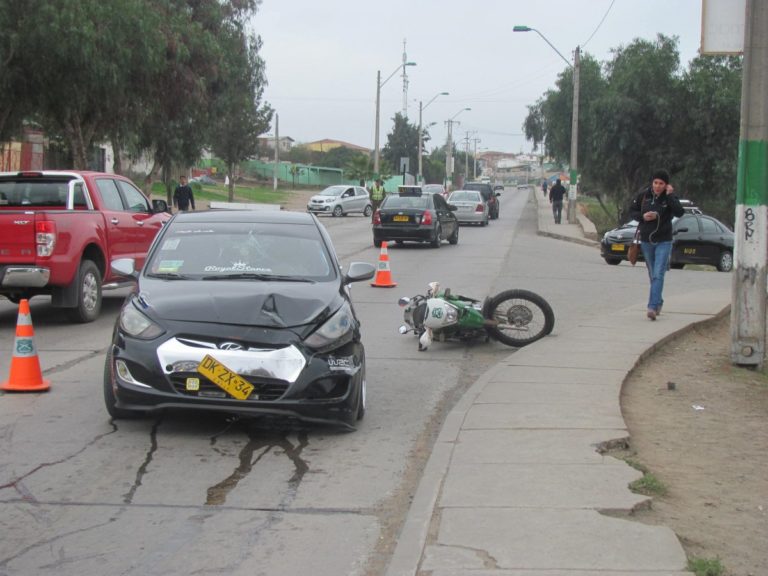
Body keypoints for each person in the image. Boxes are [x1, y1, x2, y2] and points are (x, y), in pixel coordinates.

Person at [629, 169, 684, 321]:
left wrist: (671, 195)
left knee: (658, 273)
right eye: (655, 183)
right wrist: (643, 217)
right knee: (652, 274)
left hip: (664, 241)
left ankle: (652, 307)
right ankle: (658, 301)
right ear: (652, 183)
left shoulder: (669, 198)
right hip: (647, 241)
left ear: (666, 185)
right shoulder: (644, 196)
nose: (658, 186)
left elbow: (680, 212)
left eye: (661, 183)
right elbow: (632, 211)